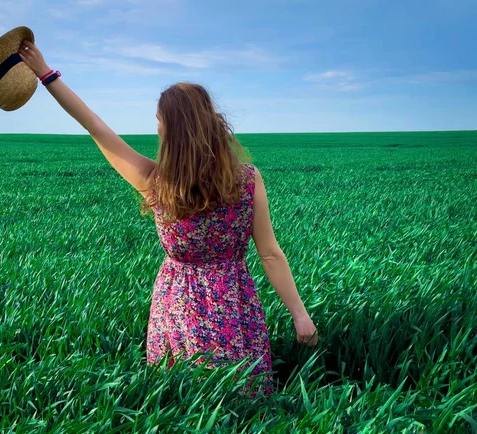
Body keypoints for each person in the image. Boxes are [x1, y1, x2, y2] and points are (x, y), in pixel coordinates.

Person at [18, 40, 318, 398]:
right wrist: (300, 315)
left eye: (159, 121)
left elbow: (95, 126)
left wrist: (47, 74)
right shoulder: (247, 180)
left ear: (172, 131)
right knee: (243, 402)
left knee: (180, 403)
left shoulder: (155, 183)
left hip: (176, 308)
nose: (156, 128)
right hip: (235, 305)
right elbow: (269, 254)